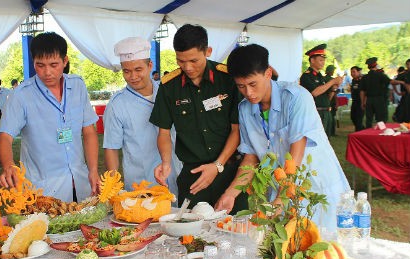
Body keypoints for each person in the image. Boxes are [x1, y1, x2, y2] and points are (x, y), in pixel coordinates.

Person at [216, 44, 349, 234]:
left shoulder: (297, 98)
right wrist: (231, 193)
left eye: (253, 84)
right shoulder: (245, 109)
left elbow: (296, 154)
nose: (249, 93)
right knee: (284, 252)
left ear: (268, 73)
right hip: (282, 191)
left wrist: (280, 200)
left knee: (324, 247)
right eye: (241, 86)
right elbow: (251, 157)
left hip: (313, 186)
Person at [149, 24, 248, 212]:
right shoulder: (169, 86)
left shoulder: (227, 79)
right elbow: (163, 132)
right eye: (181, 61)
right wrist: (166, 162)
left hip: (228, 171)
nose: (187, 67)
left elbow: (237, 130)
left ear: (207, 51)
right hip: (193, 176)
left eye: (194, 60)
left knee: (235, 231)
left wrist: (217, 166)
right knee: (190, 236)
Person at [0, 32, 100, 201]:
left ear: (65, 61)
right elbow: (5, 137)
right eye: (40, 65)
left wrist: (93, 170)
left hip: (80, 183)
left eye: (54, 65)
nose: (47, 72)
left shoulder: (77, 85)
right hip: (43, 190)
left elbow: (89, 131)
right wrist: (8, 166)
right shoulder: (21, 95)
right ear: (33, 62)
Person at [103, 37, 180, 195]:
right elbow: (111, 148)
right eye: (126, 71)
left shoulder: (167, 92)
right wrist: (112, 184)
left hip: (176, 175)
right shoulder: (117, 104)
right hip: (142, 184)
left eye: (138, 70)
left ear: (150, 65)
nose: (133, 76)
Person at [299, 44, 343, 138]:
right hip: (316, 112)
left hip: (326, 111)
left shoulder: (321, 77)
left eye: (324, 60)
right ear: (312, 60)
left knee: (326, 139)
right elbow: (315, 92)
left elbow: (328, 98)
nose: (323, 63)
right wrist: (332, 82)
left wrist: (334, 88)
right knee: (318, 139)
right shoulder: (307, 76)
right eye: (321, 60)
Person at [360, 57, 399, 127]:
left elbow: (362, 91)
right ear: (375, 64)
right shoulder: (380, 75)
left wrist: (362, 102)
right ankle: (380, 134)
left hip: (369, 100)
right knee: (381, 119)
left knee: (369, 119)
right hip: (379, 99)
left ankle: (367, 134)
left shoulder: (365, 77)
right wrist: (402, 82)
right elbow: (391, 82)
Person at [349, 66, 364, 131]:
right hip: (354, 101)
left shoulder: (363, 80)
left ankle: (358, 132)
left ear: (358, 72)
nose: (352, 73)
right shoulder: (353, 80)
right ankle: (362, 129)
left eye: (354, 72)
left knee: (358, 119)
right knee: (353, 117)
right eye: (351, 72)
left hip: (361, 102)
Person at [325, 65, 338, 136]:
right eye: (333, 70)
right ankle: (332, 132)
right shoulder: (333, 80)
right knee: (332, 117)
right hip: (331, 100)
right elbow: (334, 93)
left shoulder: (323, 78)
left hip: (324, 100)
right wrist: (336, 103)